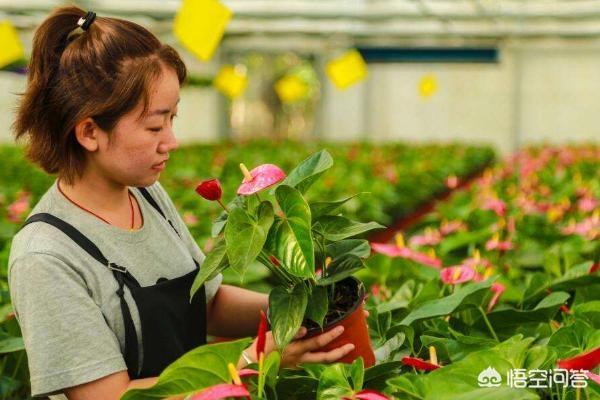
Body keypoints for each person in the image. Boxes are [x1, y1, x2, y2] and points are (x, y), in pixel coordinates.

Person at [8, 7, 355, 400]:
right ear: (90, 132)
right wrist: (255, 360)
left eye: (173, 119)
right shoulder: (46, 256)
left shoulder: (147, 195)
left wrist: (302, 310)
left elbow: (207, 303)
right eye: (155, 125)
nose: (171, 141)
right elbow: (105, 396)